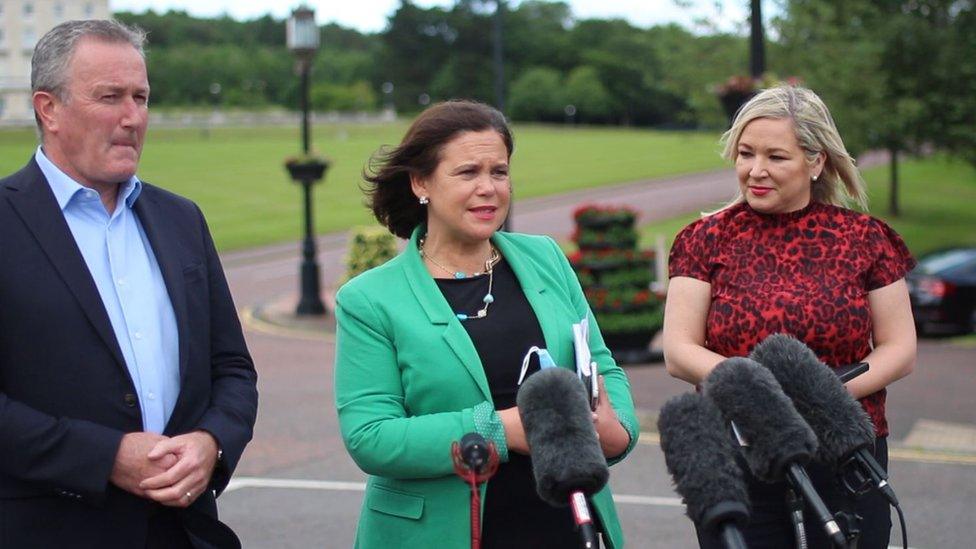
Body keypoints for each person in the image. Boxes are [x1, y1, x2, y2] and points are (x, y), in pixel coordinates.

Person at [334, 100, 639, 548]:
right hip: (440, 533)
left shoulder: (546, 258)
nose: (489, 188)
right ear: (421, 182)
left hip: (565, 523)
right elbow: (371, 437)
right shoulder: (369, 299)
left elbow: (599, 363)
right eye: (468, 173)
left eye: (499, 172)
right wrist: (503, 430)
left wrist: (620, 430)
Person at [0, 20, 258, 547]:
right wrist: (104, 456)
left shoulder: (181, 219)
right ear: (48, 109)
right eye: (110, 97)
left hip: (184, 531)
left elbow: (231, 367)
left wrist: (212, 443)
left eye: (141, 97)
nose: (133, 117)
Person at [663, 85, 916, 548]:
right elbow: (680, 353)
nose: (755, 171)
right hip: (737, 451)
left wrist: (819, 396)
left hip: (844, 450)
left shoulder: (866, 239)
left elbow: (899, 350)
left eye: (776, 157)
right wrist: (761, 397)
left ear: (816, 161)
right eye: (745, 154)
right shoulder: (704, 239)